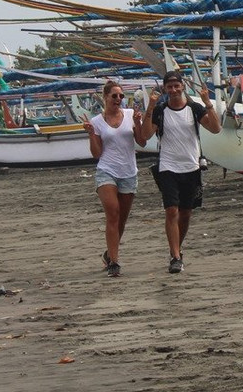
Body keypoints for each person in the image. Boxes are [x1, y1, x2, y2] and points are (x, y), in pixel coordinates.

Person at [139, 70, 221, 274]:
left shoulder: (194, 108)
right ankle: (175, 257)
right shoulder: (160, 110)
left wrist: (207, 103)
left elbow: (216, 128)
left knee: (185, 213)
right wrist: (150, 106)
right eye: (170, 87)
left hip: (191, 167)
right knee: (171, 211)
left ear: (182, 86)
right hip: (168, 167)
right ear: (165, 89)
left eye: (177, 86)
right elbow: (146, 134)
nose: (174, 90)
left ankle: (176, 248)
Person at [84, 81, 147, 278]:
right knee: (113, 213)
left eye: (121, 96)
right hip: (107, 170)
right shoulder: (96, 122)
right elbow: (96, 153)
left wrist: (138, 123)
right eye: (114, 96)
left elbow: (142, 142)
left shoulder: (130, 115)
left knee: (121, 221)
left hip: (128, 172)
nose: (118, 99)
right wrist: (90, 134)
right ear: (105, 97)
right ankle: (114, 262)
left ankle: (109, 253)